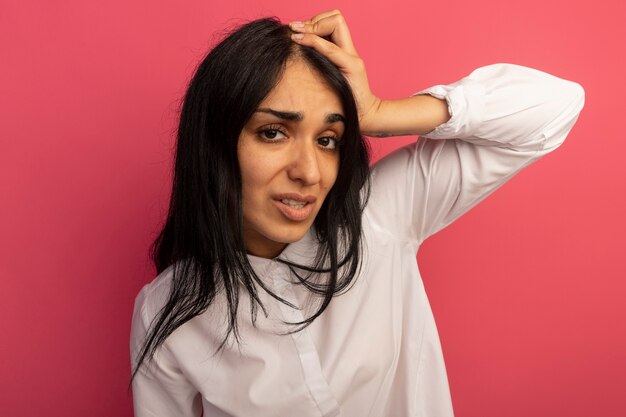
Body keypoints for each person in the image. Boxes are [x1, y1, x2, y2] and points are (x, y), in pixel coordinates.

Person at [130, 9, 584, 417]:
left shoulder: (378, 217)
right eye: (273, 133)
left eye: (328, 139)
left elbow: (556, 106)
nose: (309, 172)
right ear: (215, 144)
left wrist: (378, 111)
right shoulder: (166, 310)